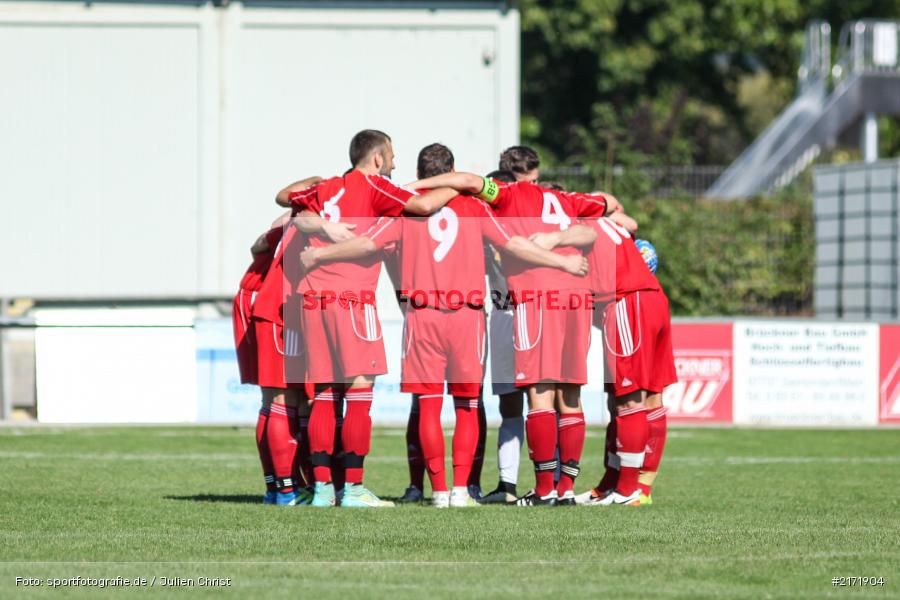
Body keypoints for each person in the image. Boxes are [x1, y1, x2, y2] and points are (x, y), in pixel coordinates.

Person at [301, 143, 590, 507]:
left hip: (422, 315)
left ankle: (435, 491)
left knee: (428, 406)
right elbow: (513, 244)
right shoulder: (475, 206)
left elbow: (365, 243)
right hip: (466, 316)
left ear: (422, 175)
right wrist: (560, 262)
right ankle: (460, 490)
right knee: (468, 405)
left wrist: (321, 253)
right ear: (448, 171)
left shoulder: (404, 212)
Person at [408, 170, 610, 505]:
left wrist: (414, 187)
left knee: (535, 395)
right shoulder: (563, 198)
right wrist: (560, 240)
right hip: (576, 297)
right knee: (570, 395)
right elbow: (599, 218)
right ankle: (565, 489)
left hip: (529, 299)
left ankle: (538, 488)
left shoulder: (504, 195)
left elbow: (470, 183)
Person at [285, 130, 458, 508]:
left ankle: (322, 490)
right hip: (352, 298)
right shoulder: (378, 187)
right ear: (378, 158)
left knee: (326, 392)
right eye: (392, 156)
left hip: (312, 299)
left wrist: (320, 225)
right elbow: (424, 207)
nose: (394, 164)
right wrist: (464, 186)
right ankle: (353, 489)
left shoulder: (327, 187)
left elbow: (286, 199)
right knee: (360, 391)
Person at [575, 208, 677, 506]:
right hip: (652, 298)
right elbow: (627, 219)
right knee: (644, 396)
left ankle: (628, 489)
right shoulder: (609, 222)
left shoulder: (577, 227)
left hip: (627, 302)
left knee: (629, 399)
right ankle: (626, 485)